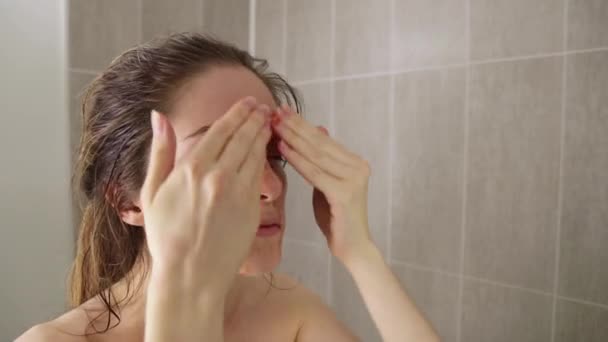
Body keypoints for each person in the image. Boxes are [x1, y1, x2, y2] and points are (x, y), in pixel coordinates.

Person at [17, 33, 439, 342]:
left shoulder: (286, 311)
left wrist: (360, 251)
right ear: (126, 200)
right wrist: (186, 295)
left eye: (274, 154)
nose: (271, 187)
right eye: (225, 160)